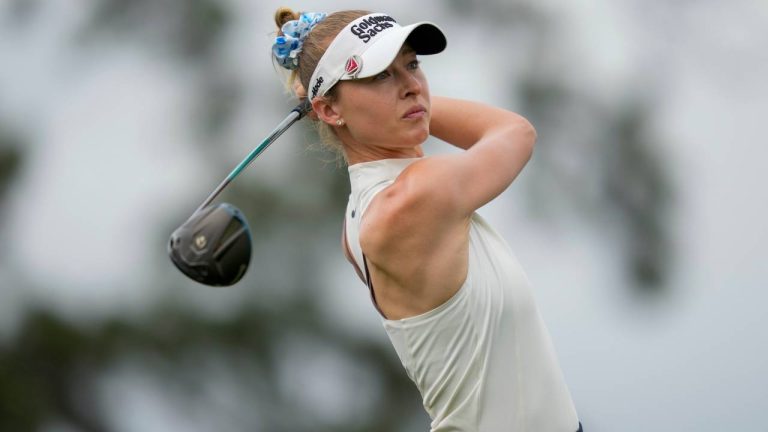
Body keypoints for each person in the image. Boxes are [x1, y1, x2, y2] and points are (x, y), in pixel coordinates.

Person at [272, 8, 583, 432]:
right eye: (381, 75)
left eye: (412, 65)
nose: (413, 86)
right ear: (328, 110)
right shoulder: (413, 198)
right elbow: (516, 132)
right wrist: (415, 106)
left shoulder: (366, 209)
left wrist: (397, 102)